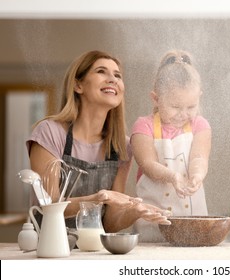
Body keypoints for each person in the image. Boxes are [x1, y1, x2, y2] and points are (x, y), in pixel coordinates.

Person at [27, 50, 171, 232]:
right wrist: (101, 197)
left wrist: (135, 212)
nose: (113, 79)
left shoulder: (122, 146)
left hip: (92, 252)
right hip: (49, 250)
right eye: (101, 71)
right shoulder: (49, 133)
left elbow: (109, 224)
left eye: (117, 75)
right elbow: (48, 205)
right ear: (78, 85)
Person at [130, 50, 212, 241]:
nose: (183, 114)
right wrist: (172, 176)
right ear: (156, 99)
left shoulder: (200, 125)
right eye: (175, 107)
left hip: (193, 224)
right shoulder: (144, 126)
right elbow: (148, 164)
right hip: (151, 228)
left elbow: (199, 157)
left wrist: (197, 175)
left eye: (191, 107)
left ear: (199, 96)